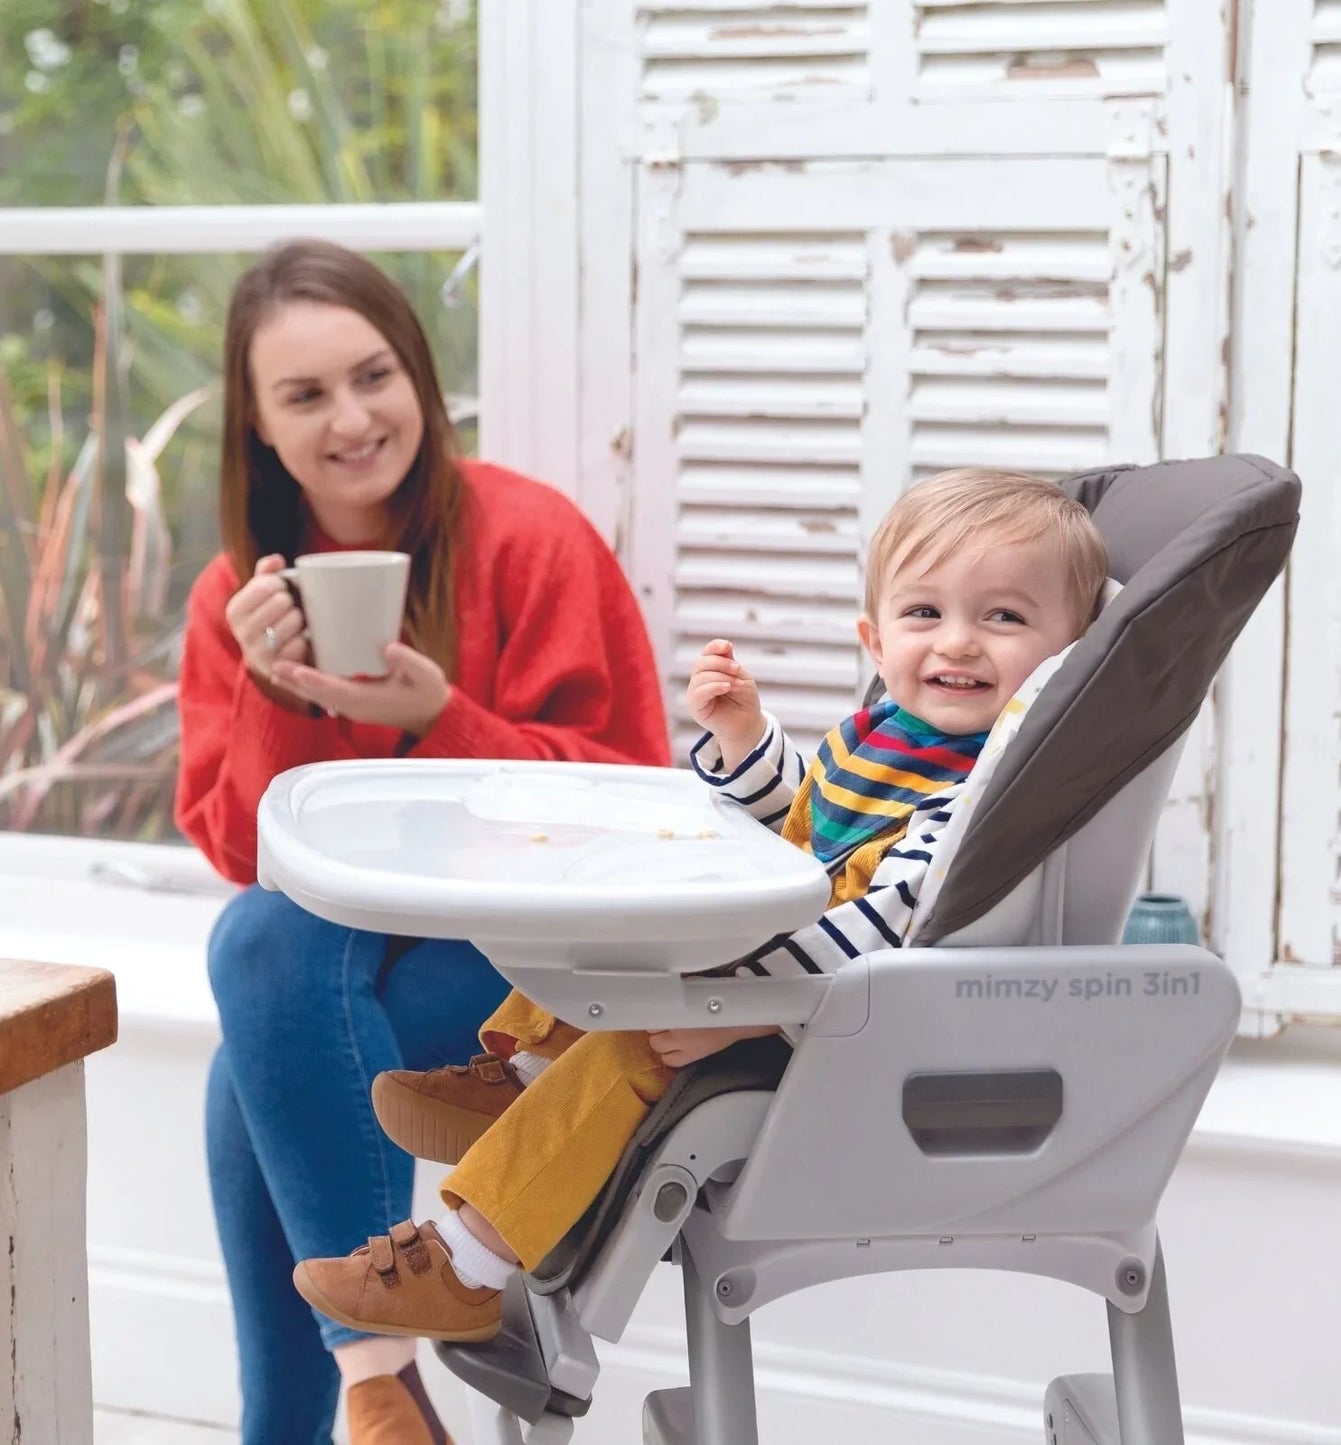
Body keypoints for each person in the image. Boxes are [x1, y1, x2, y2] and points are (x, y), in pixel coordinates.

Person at [288, 467, 1109, 1344]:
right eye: (924, 614)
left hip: (821, 1027)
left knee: (630, 1045)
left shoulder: (976, 796)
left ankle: (462, 1265)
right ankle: (521, 1077)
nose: (958, 643)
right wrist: (744, 740)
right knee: (616, 915)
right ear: (874, 639)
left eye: (1004, 617)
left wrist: (736, 1008)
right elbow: (805, 816)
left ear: (1067, 654)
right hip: (771, 975)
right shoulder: (889, 735)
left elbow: (873, 931)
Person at [175, 238, 670, 1445]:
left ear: (419, 380)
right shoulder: (237, 595)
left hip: (537, 969)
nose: (351, 418)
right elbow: (252, 855)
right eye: (304, 395)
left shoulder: (529, 536)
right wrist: (274, 689)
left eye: (373, 375)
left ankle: (352, 1388)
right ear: (259, 426)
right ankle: (380, 1384)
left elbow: (638, 802)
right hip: (354, 961)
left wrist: (439, 722)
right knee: (260, 954)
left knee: (254, 1058)